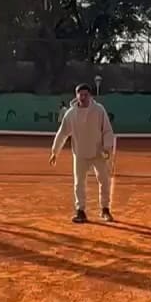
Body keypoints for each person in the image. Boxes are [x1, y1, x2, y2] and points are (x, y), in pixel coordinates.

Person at [50, 83, 115, 224]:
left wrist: (107, 147)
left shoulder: (99, 110)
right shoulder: (71, 114)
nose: (83, 97)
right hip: (79, 154)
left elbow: (107, 130)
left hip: (98, 153)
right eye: (81, 94)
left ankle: (105, 210)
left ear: (90, 95)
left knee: (104, 181)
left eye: (86, 94)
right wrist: (55, 151)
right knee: (79, 183)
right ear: (76, 95)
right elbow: (62, 133)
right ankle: (80, 211)